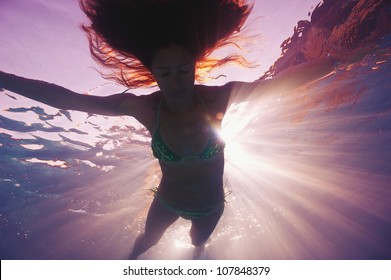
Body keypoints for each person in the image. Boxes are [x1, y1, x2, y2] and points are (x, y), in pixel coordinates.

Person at [0, 0, 343, 259]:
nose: (176, 81)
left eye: (183, 70)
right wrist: (5, 78)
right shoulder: (143, 107)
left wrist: (338, 62)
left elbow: (280, 84)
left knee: (198, 246)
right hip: (166, 202)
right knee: (144, 244)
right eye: (165, 73)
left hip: (211, 207)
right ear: (153, 74)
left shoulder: (219, 97)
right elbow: (67, 99)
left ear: (195, 67)